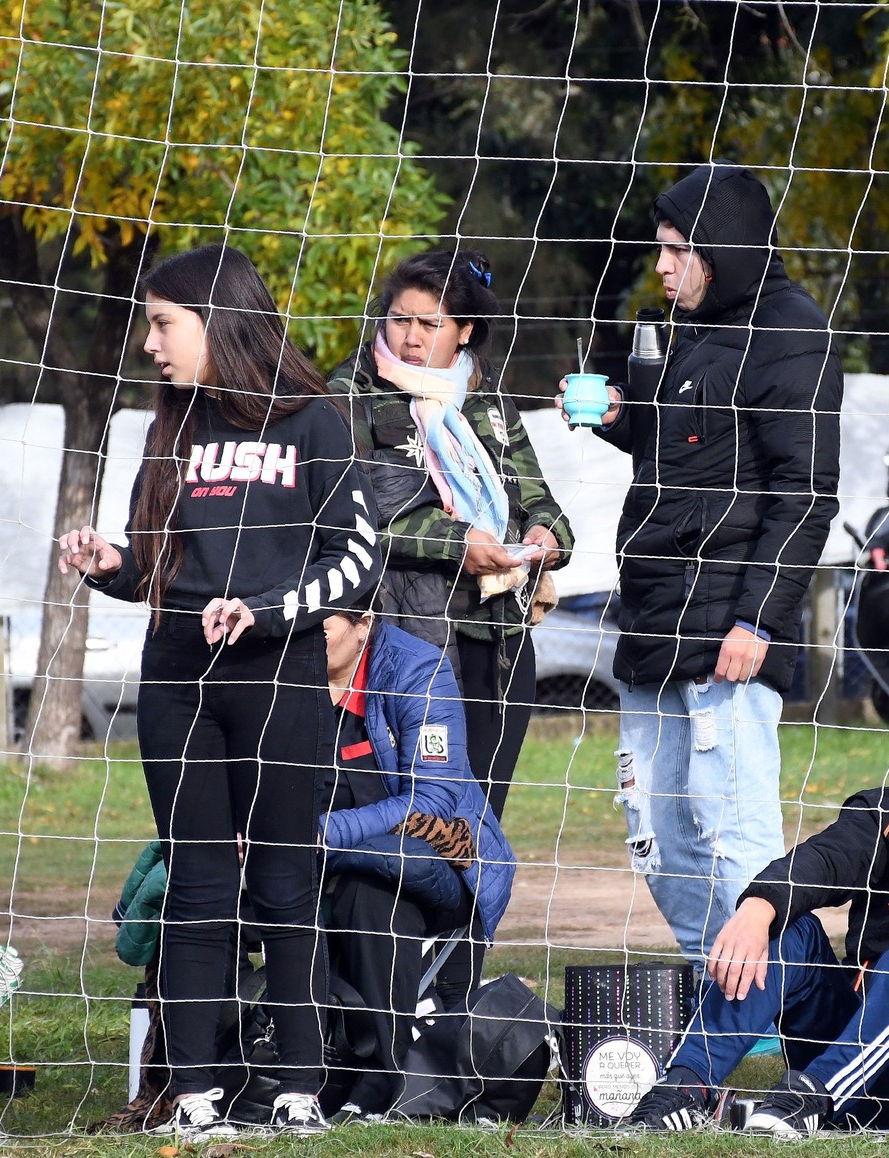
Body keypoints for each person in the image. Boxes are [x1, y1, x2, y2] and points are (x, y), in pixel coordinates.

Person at [58, 244, 384, 1140]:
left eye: (164, 324)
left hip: (276, 680)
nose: (151, 344)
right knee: (198, 884)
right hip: (178, 683)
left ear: (220, 319)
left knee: (285, 884)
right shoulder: (171, 428)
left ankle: (298, 1090)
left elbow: (356, 560)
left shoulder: (317, 420)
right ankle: (194, 1093)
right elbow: (153, 563)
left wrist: (271, 611)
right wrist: (109, 562)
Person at [559, 163, 842, 962]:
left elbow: (804, 493)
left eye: (677, 250)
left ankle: (793, 1009)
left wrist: (759, 618)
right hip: (653, 615)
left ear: (722, 248)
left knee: (731, 832)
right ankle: (712, 999)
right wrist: (620, 416)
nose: (661, 266)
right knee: (655, 828)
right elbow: (690, 452)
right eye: (659, 249)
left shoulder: (792, 331)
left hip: (728, 632)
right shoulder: (694, 328)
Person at [621, 683, 889, 1138]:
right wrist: (759, 906)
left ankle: (810, 1100)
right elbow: (828, 857)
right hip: (851, 1040)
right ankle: (683, 1089)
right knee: (786, 929)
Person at [328, 248, 573, 822]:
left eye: (430, 324)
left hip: (500, 639)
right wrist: (459, 543)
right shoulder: (352, 393)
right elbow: (358, 511)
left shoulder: (487, 402)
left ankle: (472, 916)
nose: (411, 337)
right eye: (400, 319)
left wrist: (544, 535)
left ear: (464, 331)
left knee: (482, 816)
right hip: (406, 638)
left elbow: (543, 501)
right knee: (416, 813)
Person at [316, 604, 515, 1117]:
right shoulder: (283, 672)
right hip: (320, 860)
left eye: (322, 628)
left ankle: (377, 1079)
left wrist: (319, 834)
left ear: (363, 622)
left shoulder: (417, 668)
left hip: (434, 857)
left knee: (370, 900)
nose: (307, 642)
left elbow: (432, 801)